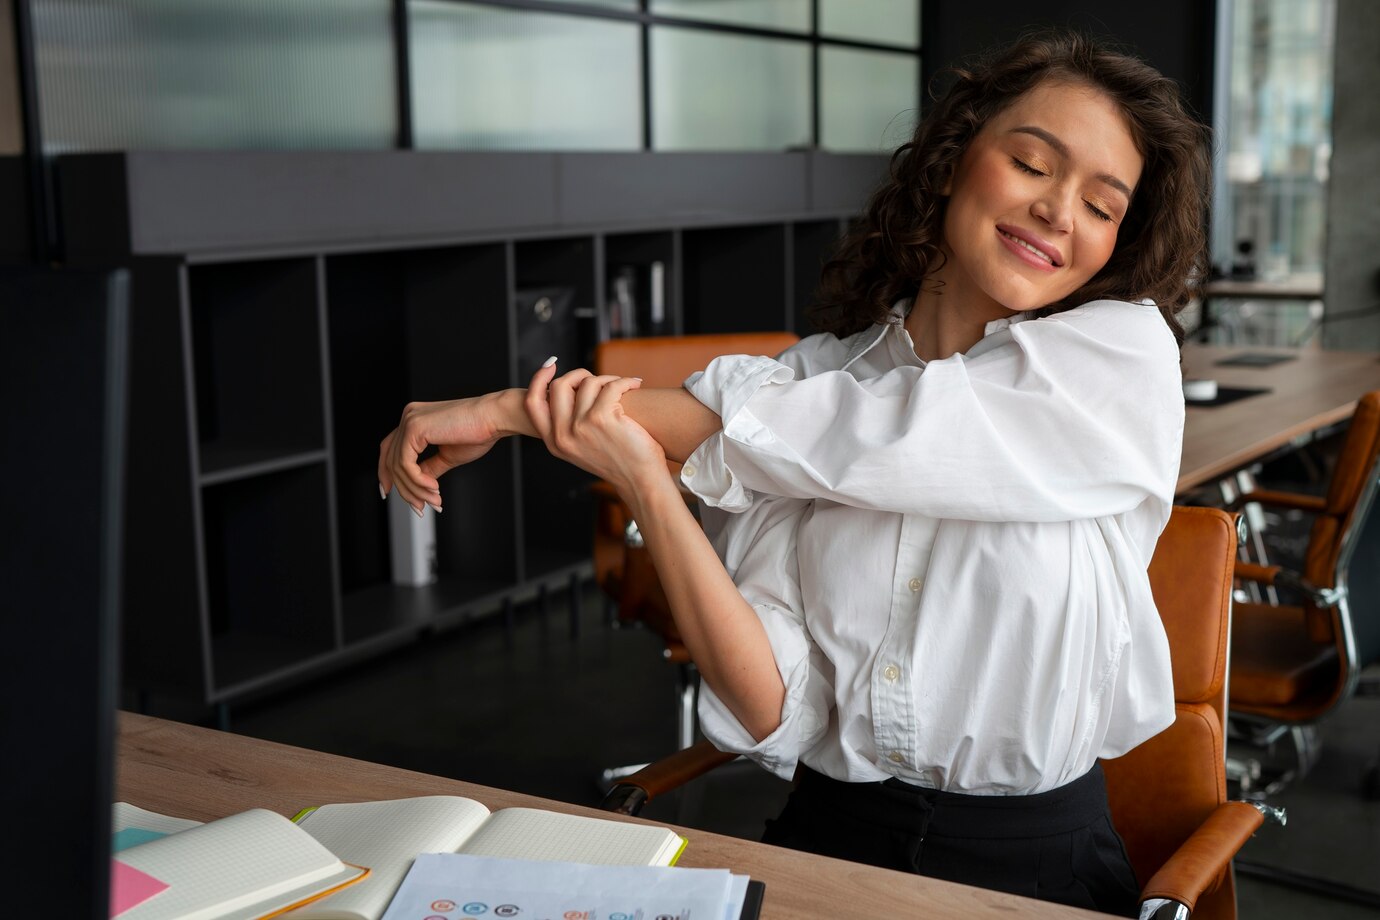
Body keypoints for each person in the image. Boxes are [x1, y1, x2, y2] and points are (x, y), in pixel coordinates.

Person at [378, 30, 1211, 917]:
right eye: (1033, 163)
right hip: (832, 838)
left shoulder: (1118, 358)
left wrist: (512, 410)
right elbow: (773, 703)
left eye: (1102, 204)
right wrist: (650, 484)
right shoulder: (806, 386)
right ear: (952, 158)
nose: (1060, 212)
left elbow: (880, 435)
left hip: (1037, 867)